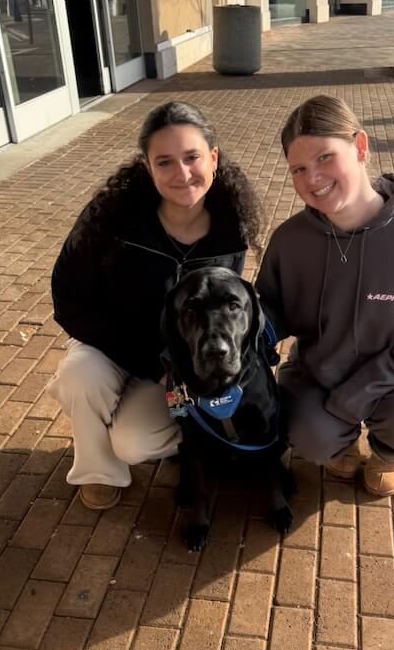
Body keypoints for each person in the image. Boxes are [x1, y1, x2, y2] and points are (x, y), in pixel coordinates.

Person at [48, 101, 263, 510]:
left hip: (177, 362)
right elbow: (67, 300)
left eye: (192, 157)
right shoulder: (110, 218)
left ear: (213, 158)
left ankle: (175, 433)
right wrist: (152, 365)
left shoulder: (229, 224)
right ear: (147, 167)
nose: (182, 173)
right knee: (81, 376)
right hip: (109, 345)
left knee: (135, 442)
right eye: (165, 162)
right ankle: (98, 472)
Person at [256, 96, 394, 497]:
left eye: (325, 157)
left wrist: (360, 393)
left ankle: (390, 454)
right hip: (320, 373)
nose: (312, 178)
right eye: (298, 169)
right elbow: (269, 311)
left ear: (360, 146)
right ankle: (339, 447)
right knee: (306, 434)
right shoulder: (290, 240)